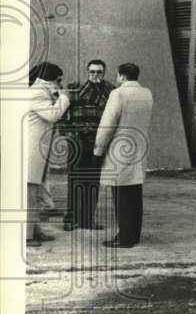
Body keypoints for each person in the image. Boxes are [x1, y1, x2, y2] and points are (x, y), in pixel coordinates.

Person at [94, 62, 152, 248]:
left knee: (121, 196)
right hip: (139, 147)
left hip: (119, 149)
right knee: (135, 194)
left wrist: (98, 150)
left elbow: (107, 125)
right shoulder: (147, 93)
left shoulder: (117, 93)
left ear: (122, 76)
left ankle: (125, 238)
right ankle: (133, 234)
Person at [60, 59, 115, 231]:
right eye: (92, 72)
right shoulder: (75, 90)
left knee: (92, 182)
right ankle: (70, 219)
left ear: (104, 73)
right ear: (87, 72)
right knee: (75, 181)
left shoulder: (111, 92)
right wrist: (66, 132)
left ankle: (87, 220)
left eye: (99, 72)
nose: (95, 75)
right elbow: (61, 113)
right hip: (77, 141)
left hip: (97, 143)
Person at [26, 62, 71, 247]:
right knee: (29, 196)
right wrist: (65, 97)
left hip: (38, 151)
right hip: (30, 151)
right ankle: (27, 236)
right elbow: (53, 114)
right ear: (50, 77)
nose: (59, 83)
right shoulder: (36, 92)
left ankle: (34, 230)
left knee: (34, 194)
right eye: (58, 79)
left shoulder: (41, 90)